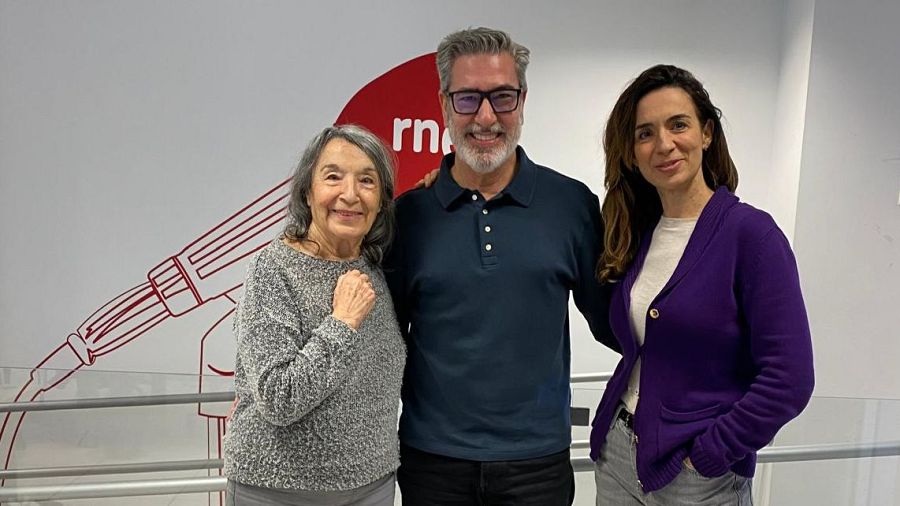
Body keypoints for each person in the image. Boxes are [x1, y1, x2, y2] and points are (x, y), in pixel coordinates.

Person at [384, 27, 617, 505]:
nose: (486, 117)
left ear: (523, 101)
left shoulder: (571, 205)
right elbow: (382, 340)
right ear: (445, 105)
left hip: (538, 464)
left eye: (502, 97)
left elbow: (615, 322)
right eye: (468, 98)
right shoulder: (408, 216)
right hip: (432, 463)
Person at [590, 64, 815, 505]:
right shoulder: (637, 232)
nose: (664, 145)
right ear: (632, 151)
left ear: (707, 133)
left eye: (678, 125)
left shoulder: (751, 235)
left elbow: (790, 377)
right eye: (645, 133)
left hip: (698, 476)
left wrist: (712, 452)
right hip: (618, 457)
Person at [223, 125, 406, 505]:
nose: (350, 194)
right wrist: (342, 323)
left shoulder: (374, 267)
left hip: (371, 486)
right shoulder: (272, 269)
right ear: (307, 192)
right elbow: (277, 397)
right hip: (278, 490)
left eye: (367, 181)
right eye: (333, 176)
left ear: (381, 201)